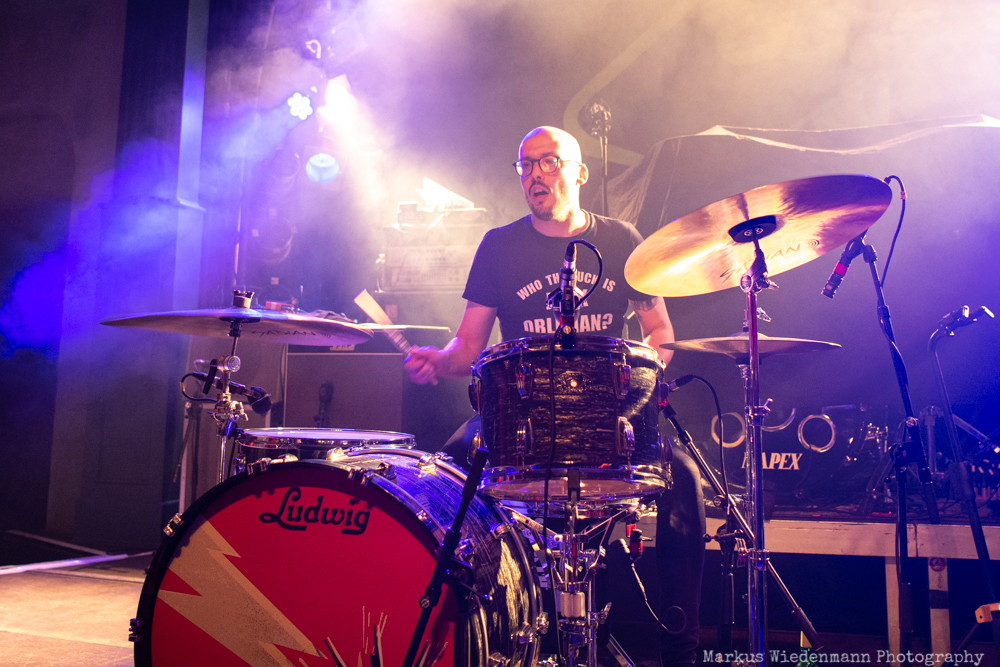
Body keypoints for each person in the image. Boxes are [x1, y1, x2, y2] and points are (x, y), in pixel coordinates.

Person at [404, 126, 704, 666]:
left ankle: (680, 650)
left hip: (608, 418)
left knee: (682, 475)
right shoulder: (499, 246)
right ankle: (476, 634)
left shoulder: (621, 240)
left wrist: (643, 380)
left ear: (580, 172)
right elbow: (468, 347)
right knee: (448, 472)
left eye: (548, 162)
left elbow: (660, 333)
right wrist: (439, 360)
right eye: (525, 165)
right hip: (521, 418)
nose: (534, 174)